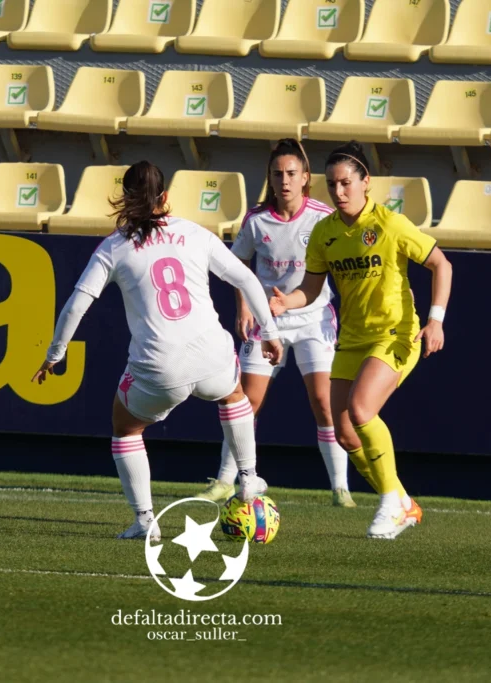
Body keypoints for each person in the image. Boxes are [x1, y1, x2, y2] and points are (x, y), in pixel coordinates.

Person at [33, 161, 284, 542]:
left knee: (125, 427)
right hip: (214, 353)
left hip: (160, 365)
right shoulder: (194, 233)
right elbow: (246, 278)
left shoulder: (114, 246)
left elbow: (77, 304)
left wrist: (55, 354)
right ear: (165, 198)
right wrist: (270, 332)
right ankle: (247, 478)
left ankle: (146, 521)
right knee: (234, 396)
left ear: (125, 199)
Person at [270, 141, 453, 540]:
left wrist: (435, 321)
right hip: (352, 340)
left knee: (361, 409)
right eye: (332, 185)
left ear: (365, 182)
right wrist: (287, 303)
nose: (339, 192)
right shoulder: (325, 232)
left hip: (396, 334)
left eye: (346, 183)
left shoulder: (389, 224)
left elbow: (442, 263)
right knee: (344, 432)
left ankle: (390, 501)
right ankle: (403, 502)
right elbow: (312, 288)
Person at [197, 138, 355, 508]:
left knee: (324, 401)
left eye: (291, 174)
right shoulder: (257, 220)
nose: (284, 181)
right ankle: (223, 480)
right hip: (267, 322)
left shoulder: (321, 217)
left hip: (313, 318)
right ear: (269, 178)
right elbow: (237, 268)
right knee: (246, 402)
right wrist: (244, 308)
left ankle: (339, 487)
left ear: (305, 178)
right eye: (277, 174)